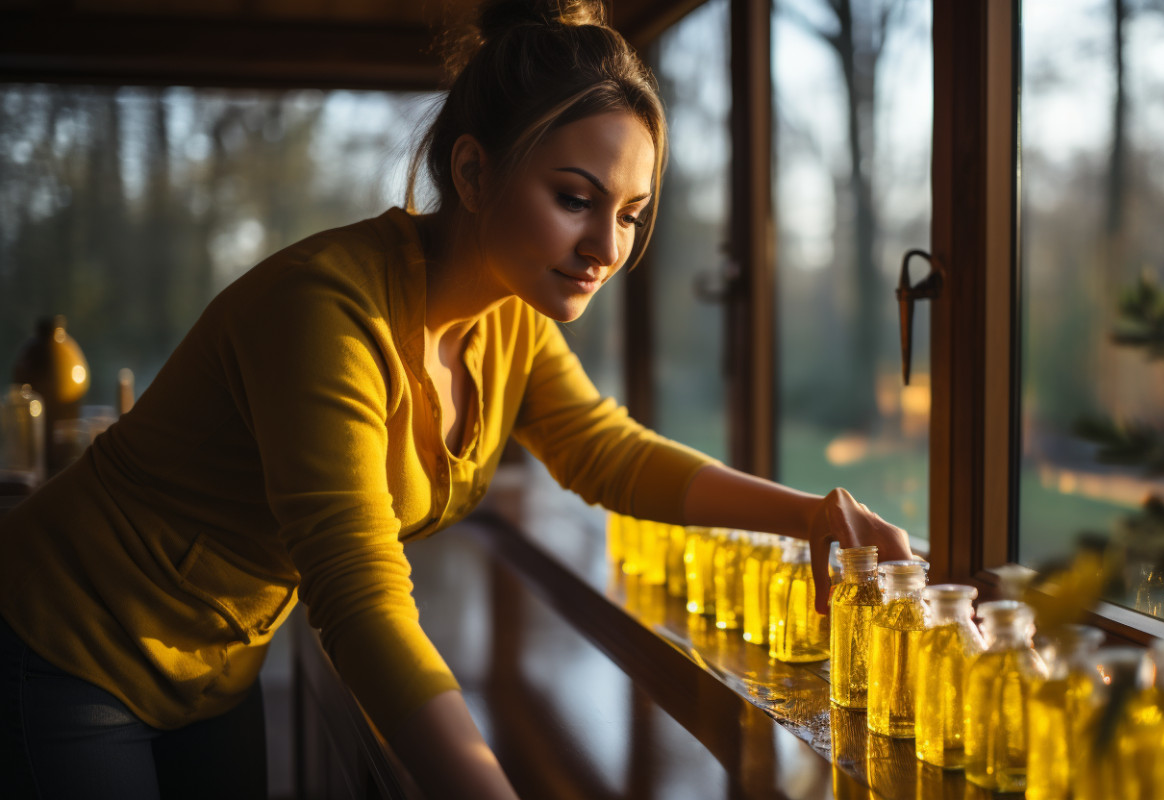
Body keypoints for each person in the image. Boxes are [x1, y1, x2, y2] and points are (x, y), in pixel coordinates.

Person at [0, 1, 913, 797]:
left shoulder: (511, 317)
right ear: (473, 174)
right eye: (574, 198)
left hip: (215, 666)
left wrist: (810, 516)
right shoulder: (328, 310)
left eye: (632, 213)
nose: (607, 246)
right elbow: (357, 594)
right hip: (65, 644)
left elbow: (606, 450)